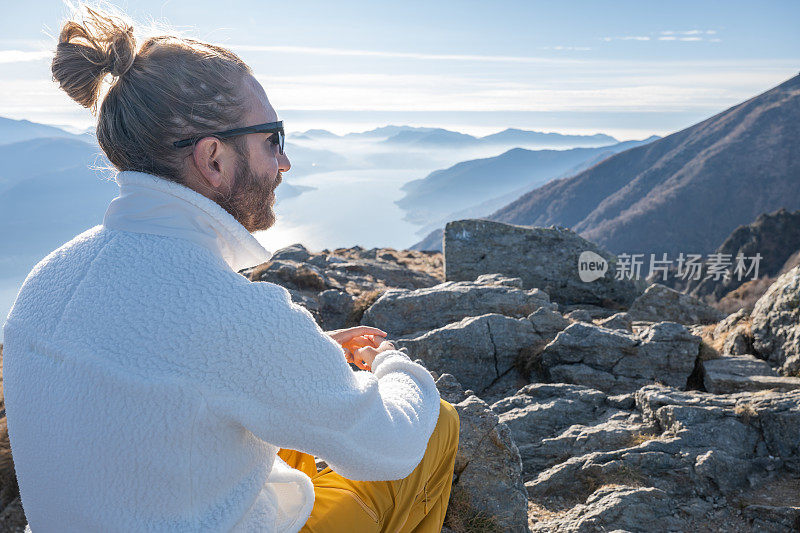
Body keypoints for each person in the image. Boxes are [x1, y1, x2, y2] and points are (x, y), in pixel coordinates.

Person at [1, 4, 459, 532]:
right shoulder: (224, 310)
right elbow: (393, 445)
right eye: (272, 138)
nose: (283, 162)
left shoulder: (48, 278)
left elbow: (154, 378)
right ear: (214, 158)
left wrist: (305, 355)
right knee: (437, 427)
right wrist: (393, 362)